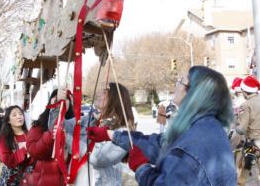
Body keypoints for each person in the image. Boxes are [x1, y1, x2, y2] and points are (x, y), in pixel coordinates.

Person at [87, 66, 236, 186]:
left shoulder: (198, 140)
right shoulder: (202, 126)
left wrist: (141, 169)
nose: (175, 85)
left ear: (193, 93)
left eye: (180, 81)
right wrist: (110, 135)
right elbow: (159, 145)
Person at [23, 89, 74, 186]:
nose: (61, 101)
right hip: (45, 180)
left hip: (69, 179)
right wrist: (50, 136)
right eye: (57, 99)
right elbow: (34, 151)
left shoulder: (75, 124)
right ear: (50, 101)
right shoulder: (39, 125)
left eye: (66, 99)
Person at [235, 75, 260, 186]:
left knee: (247, 170)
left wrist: (235, 125)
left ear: (245, 91)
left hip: (253, 144)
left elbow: (241, 129)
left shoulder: (246, 105)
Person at [0, 105, 32, 186]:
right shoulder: (4, 138)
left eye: (20, 114)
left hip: (29, 177)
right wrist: (24, 151)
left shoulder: (30, 134)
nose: (19, 116)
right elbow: (7, 160)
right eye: (14, 115)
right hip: (12, 179)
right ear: (9, 120)